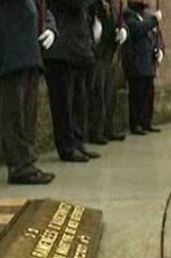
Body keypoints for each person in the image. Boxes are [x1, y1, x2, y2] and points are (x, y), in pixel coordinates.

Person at [0, 0, 57, 184]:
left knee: (28, 114)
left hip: (31, 53)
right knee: (14, 114)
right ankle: (19, 166)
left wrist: (51, 27)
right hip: (10, 52)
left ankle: (27, 162)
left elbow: (43, 9)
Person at [44, 0, 101, 162]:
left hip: (76, 50)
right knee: (64, 103)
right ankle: (67, 146)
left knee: (78, 101)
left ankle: (77, 141)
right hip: (61, 50)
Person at [86, 0, 129, 143]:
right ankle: (96, 131)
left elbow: (120, 22)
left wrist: (123, 30)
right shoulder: (93, 5)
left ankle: (108, 128)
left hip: (110, 54)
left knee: (109, 94)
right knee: (98, 94)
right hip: (97, 54)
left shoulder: (113, 6)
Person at [122, 0, 163, 136]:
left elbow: (157, 36)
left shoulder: (147, 17)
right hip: (136, 63)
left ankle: (146, 121)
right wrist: (154, 19)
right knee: (136, 96)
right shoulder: (128, 16)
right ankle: (136, 124)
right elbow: (138, 29)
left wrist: (159, 49)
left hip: (148, 63)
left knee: (148, 95)